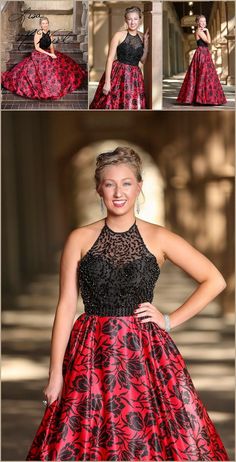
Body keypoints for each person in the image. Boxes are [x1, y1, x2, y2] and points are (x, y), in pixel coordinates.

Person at [26, 147, 229, 461]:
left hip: (145, 351)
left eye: (126, 183)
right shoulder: (78, 239)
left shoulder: (160, 238)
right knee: (88, 436)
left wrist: (170, 319)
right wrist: (56, 374)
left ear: (139, 187)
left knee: (147, 433)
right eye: (109, 184)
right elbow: (66, 305)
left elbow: (215, 280)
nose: (118, 192)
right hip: (91, 352)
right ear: (99, 188)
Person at [1, 16, 87, 100]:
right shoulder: (38, 33)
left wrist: (53, 54)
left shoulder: (49, 33)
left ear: (48, 24)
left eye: (46, 23)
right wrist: (49, 54)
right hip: (39, 53)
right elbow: (37, 47)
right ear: (40, 25)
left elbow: (51, 45)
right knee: (43, 65)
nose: (45, 25)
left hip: (48, 52)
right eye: (43, 23)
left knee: (61, 63)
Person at [89, 7, 149, 110]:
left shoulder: (142, 37)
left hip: (135, 77)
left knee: (132, 105)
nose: (132, 22)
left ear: (140, 19)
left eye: (135, 19)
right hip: (117, 74)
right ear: (125, 20)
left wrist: (146, 45)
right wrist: (107, 82)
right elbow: (109, 60)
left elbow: (143, 60)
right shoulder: (118, 35)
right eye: (130, 19)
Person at [177, 15, 226, 105]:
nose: (203, 23)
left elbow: (208, 42)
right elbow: (208, 41)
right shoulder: (199, 31)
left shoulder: (201, 30)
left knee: (205, 75)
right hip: (202, 54)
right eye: (201, 21)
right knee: (204, 75)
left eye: (205, 21)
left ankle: (205, 97)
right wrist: (207, 31)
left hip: (204, 53)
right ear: (198, 23)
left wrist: (207, 31)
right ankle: (202, 98)